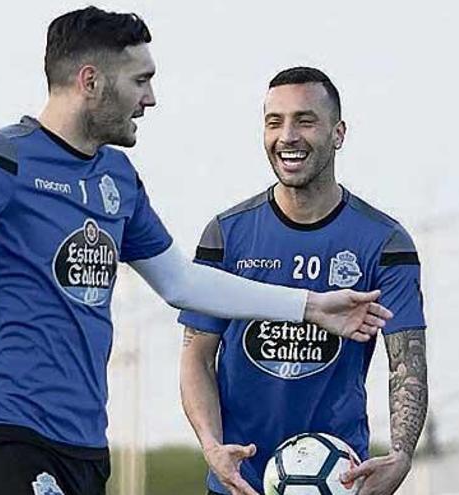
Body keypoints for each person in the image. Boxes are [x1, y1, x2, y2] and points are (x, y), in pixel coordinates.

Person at [0, 9, 391, 495]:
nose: (150, 98)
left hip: (84, 443)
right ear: (90, 81)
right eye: (141, 80)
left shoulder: (117, 178)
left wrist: (309, 306)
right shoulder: (1, 159)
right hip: (3, 434)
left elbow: (182, 282)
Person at [178, 67, 427, 495]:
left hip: (339, 482)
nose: (287, 136)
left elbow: (406, 364)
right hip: (240, 484)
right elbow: (197, 356)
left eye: (305, 120)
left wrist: (402, 455)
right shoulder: (226, 235)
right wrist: (211, 445)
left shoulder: (384, 242)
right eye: (274, 122)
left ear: (338, 133)